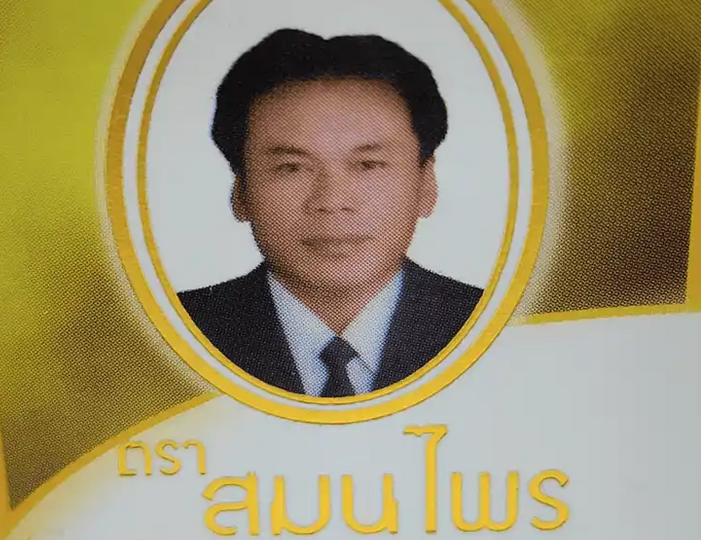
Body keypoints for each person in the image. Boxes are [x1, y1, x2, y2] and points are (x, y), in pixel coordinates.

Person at [178, 30, 483, 396]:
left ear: (425, 185)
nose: (332, 200)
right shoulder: (165, 334)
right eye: (292, 168)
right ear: (240, 191)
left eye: (368, 165)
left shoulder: (501, 327)